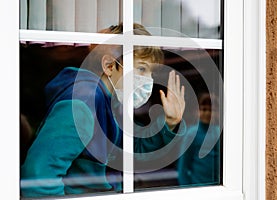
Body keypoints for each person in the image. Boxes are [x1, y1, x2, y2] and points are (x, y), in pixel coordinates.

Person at [20, 23, 186, 197]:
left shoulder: (112, 104)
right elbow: (38, 179)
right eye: (141, 69)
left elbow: (132, 150)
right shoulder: (82, 105)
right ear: (109, 66)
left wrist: (169, 123)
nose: (148, 80)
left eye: (150, 72)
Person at [177, 92, 221, 186]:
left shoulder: (219, 133)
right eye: (204, 109)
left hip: (217, 188)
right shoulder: (191, 134)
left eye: (211, 110)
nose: (207, 113)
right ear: (198, 111)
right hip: (198, 187)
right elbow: (183, 167)